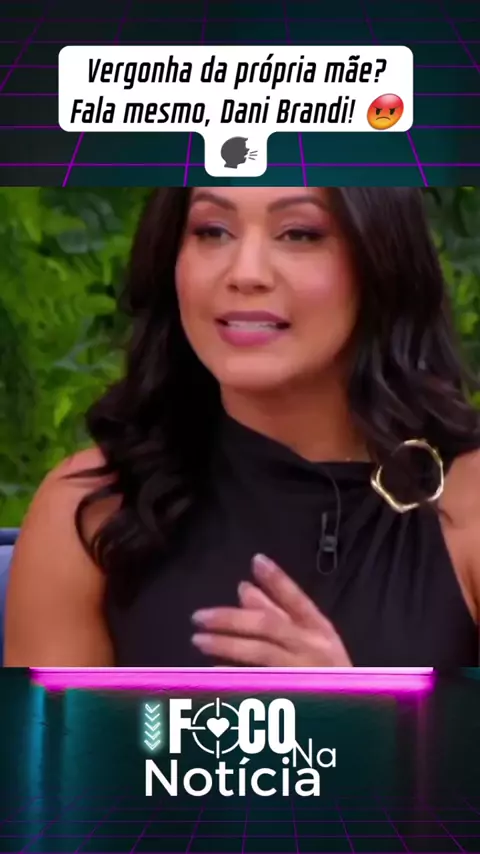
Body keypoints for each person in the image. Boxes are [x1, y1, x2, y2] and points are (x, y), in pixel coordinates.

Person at [5, 187, 480, 668]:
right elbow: (53, 721)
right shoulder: (90, 510)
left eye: (299, 234)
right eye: (212, 231)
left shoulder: (467, 505)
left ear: (383, 258)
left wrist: (355, 711)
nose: (245, 273)